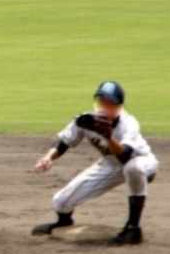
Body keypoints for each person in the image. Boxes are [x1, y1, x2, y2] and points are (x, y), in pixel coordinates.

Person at [31, 81, 159, 245]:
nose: (104, 105)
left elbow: (125, 154)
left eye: (109, 102)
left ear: (119, 105)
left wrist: (107, 137)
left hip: (141, 160)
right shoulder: (86, 120)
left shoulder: (129, 123)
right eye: (101, 101)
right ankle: (64, 221)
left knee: (133, 169)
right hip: (110, 165)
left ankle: (133, 228)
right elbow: (64, 141)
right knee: (60, 202)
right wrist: (48, 157)